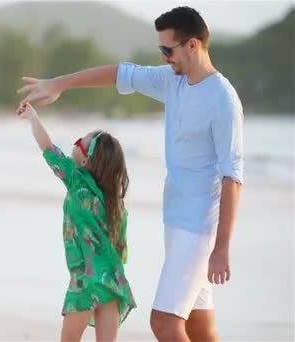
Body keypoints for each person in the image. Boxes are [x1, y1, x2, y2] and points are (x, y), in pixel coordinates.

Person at [18, 6, 244, 342]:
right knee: (199, 326)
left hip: (199, 228)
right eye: (161, 50)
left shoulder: (223, 99)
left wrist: (223, 244)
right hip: (176, 222)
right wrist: (60, 84)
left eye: (169, 50)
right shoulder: (173, 82)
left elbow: (232, 175)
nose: (165, 58)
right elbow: (119, 73)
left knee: (164, 323)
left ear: (193, 45)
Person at [16, 102, 136, 342]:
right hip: (113, 282)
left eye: (81, 140)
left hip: (85, 281)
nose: (75, 142)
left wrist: (33, 117)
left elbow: (48, 147)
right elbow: (122, 251)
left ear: (86, 160)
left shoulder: (77, 181)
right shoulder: (116, 205)